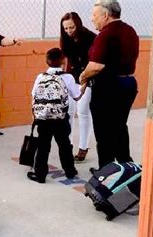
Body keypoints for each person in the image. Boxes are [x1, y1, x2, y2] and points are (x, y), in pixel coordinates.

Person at [79, 0, 139, 172]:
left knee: (104, 134)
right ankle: (126, 170)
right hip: (127, 84)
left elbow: (96, 65)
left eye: (94, 15)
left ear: (105, 15)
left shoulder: (106, 34)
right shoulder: (130, 31)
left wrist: (82, 78)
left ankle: (106, 174)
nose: (92, 19)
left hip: (109, 88)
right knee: (119, 128)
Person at [27, 48, 83, 183]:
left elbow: (34, 96)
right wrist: (84, 84)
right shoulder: (68, 77)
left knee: (43, 146)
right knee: (64, 144)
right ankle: (70, 171)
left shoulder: (41, 77)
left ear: (47, 61)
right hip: (60, 118)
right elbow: (77, 96)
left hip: (43, 118)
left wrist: (35, 115)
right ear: (63, 60)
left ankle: (40, 174)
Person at [60, 12, 97, 163]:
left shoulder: (90, 37)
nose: (69, 31)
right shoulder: (65, 38)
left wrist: (84, 81)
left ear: (78, 24)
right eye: (66, 28)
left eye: (71, 27)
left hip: (87, 77)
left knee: (82, 111)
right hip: (71, 76)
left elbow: (93, 62)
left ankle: (83, 147)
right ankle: (67, 145)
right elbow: (65, 60)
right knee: (68, 111)